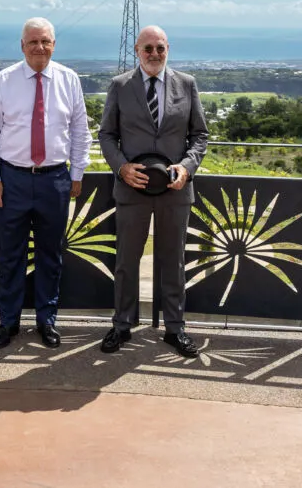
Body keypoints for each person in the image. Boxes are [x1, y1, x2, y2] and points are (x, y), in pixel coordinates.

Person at [0, 17, 91, 349]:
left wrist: (77, 173)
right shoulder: (5, 80)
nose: (39, 47)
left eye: (45, 41)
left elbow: (80, 131)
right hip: (11, 178)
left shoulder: (69, 80)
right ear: (22, 46)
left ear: (54, 45)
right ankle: (8, 322)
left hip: (54, 179)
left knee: (50, 255)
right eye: (33, 42)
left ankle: (47, 320)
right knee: (10, 255)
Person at [97, 25, 208, 357]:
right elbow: (106, 135)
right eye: (148, 48)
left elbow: (199, 136)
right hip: (132, 189)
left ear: (168, 49)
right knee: (126, 261)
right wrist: (121, 168)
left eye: (160, 47)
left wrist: (186, 167)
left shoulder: (186, 84)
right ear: (137, 51)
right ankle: (121, 325)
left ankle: (175, 328)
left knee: (174, 262)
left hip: (175, 189)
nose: (154, 54)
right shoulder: (120, 85)